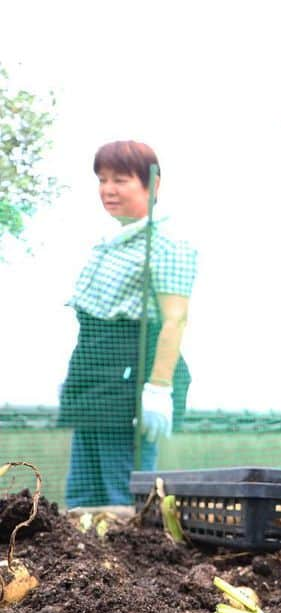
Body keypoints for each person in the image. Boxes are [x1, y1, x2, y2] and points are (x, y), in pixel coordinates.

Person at [58, 140, 196, 512]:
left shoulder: (168, 244)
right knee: (83, 499)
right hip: (93, 379)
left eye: (120, 180)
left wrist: (158, 389)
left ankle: (122, 570)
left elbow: (174, 319)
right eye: (102, 179)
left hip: (127, 382)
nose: (108, 189)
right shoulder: (110, 244)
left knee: (124, 500)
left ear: (153, 185)